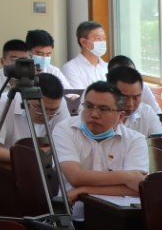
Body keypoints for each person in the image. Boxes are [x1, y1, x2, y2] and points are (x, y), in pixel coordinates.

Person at [52, 81, 150, 217]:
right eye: (89, 106)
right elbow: (75, 177)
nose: (93, 114)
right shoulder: (65, 129)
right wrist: (127, 176)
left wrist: (83, 190)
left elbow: (137, 188)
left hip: (117, 218)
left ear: (121, 116)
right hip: (73, 218)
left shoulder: (135, 140)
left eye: (103, 109)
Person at [0, 72, 66, 165]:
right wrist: (33, 156)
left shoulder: (58, 103)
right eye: (39, 108)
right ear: (26, 99)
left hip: (45, 166)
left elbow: (65, 144)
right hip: (8, 166)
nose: (46, 115)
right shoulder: (5, 103)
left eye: (52, 111)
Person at [107, 65, 162, 141]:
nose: (130, 104)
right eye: (124, 98)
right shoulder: (97, 116)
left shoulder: (146, 112)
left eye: (135, 98)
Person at [56, 21, 109, 89]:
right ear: (83, 42)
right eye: (98, 39)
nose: (103, 42)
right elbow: (78, 94)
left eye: (104, 39)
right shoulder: (71, 68)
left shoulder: (108, 67)